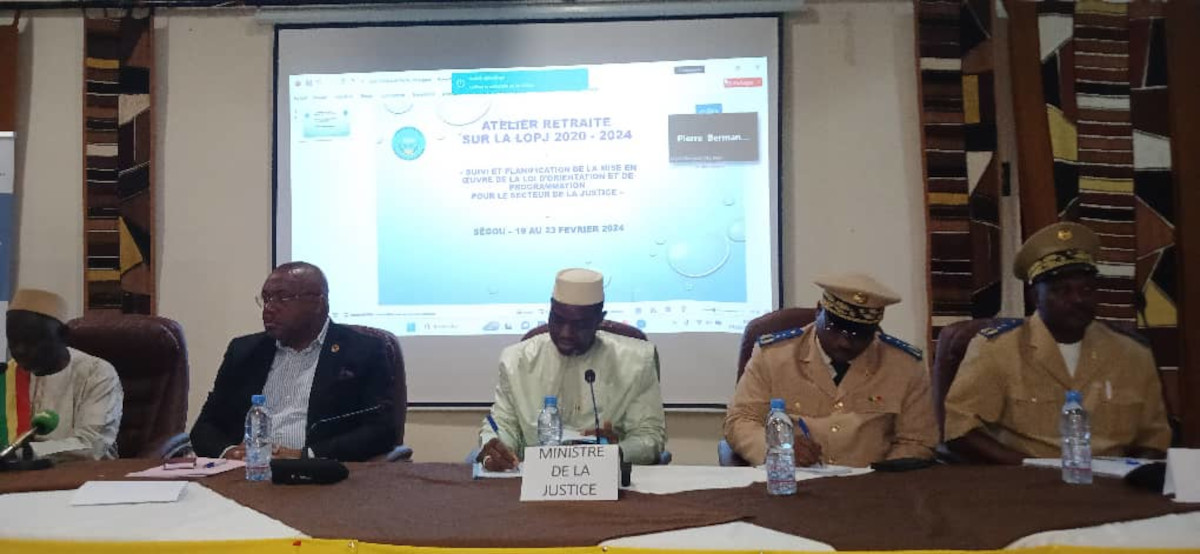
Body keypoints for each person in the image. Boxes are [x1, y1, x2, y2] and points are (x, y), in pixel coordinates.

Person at [944, 222, 1170, 463]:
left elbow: (1155, 440)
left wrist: (1133, 474)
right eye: (1062, 291)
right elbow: (960, 431)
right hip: (1027, 479)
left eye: (1087, 289)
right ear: (1035, 296)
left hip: (1112, 480)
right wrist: (1028, 467)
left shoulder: (1132, 353)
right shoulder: (997, 349)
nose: (1077, 299)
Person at [724, 274, 937, 467]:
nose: (845, 342)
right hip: (792, 480)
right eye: (835, 327)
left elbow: (916, 441)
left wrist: (884, 478)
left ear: (874, 330)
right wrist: (777, 448)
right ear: (819, 311)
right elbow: (741, 420)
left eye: (859, 333)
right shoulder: (774, 355)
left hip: (871, 486)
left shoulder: (905, 366)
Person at [190, 262, 396, 462]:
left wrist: (306, 456)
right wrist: (230, 452)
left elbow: (382, 430)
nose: (268, 308)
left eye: (281, 298)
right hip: (247, 471)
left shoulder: (363, 351)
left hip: (318, 474)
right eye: (266, 299)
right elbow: (205, 426)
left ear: (318, 302)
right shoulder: (244, 351)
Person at [478, 268, 666, 470]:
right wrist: (497, 448)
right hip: (534, 478)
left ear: (599, 320)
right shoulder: (516, 360)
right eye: (558, 320)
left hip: (608, 477)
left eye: (579, 324)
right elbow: (503, 424)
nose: (565, 333)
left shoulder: (637, 361)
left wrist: (617, 451)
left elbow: (649, 436)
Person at [2, 289, 122, 460]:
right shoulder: (8, 375)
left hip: (86, 472)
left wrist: (23, 452)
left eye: (31, 342)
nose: (20, 350)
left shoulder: (97, 373)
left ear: (63, 336)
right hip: (17, 472)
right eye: (13, 341)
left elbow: (92, 445)